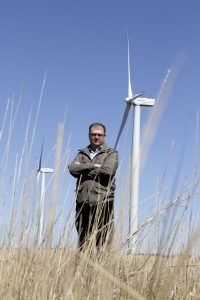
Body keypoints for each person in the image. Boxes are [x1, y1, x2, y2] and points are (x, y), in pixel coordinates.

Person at [68, 122, 118, 250]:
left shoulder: (111, 153)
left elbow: (108, 171)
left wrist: (82, 168)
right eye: (93, 134)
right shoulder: (81, 153)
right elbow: (72, 169)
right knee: (83, 242)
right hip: (83, 202)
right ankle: (84, 269)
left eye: (99, 135)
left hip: (103, 202)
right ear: (89, 136)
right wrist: (92, 166)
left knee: (103, 242)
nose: (96, 137)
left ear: (104, 136)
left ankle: (100, 270)